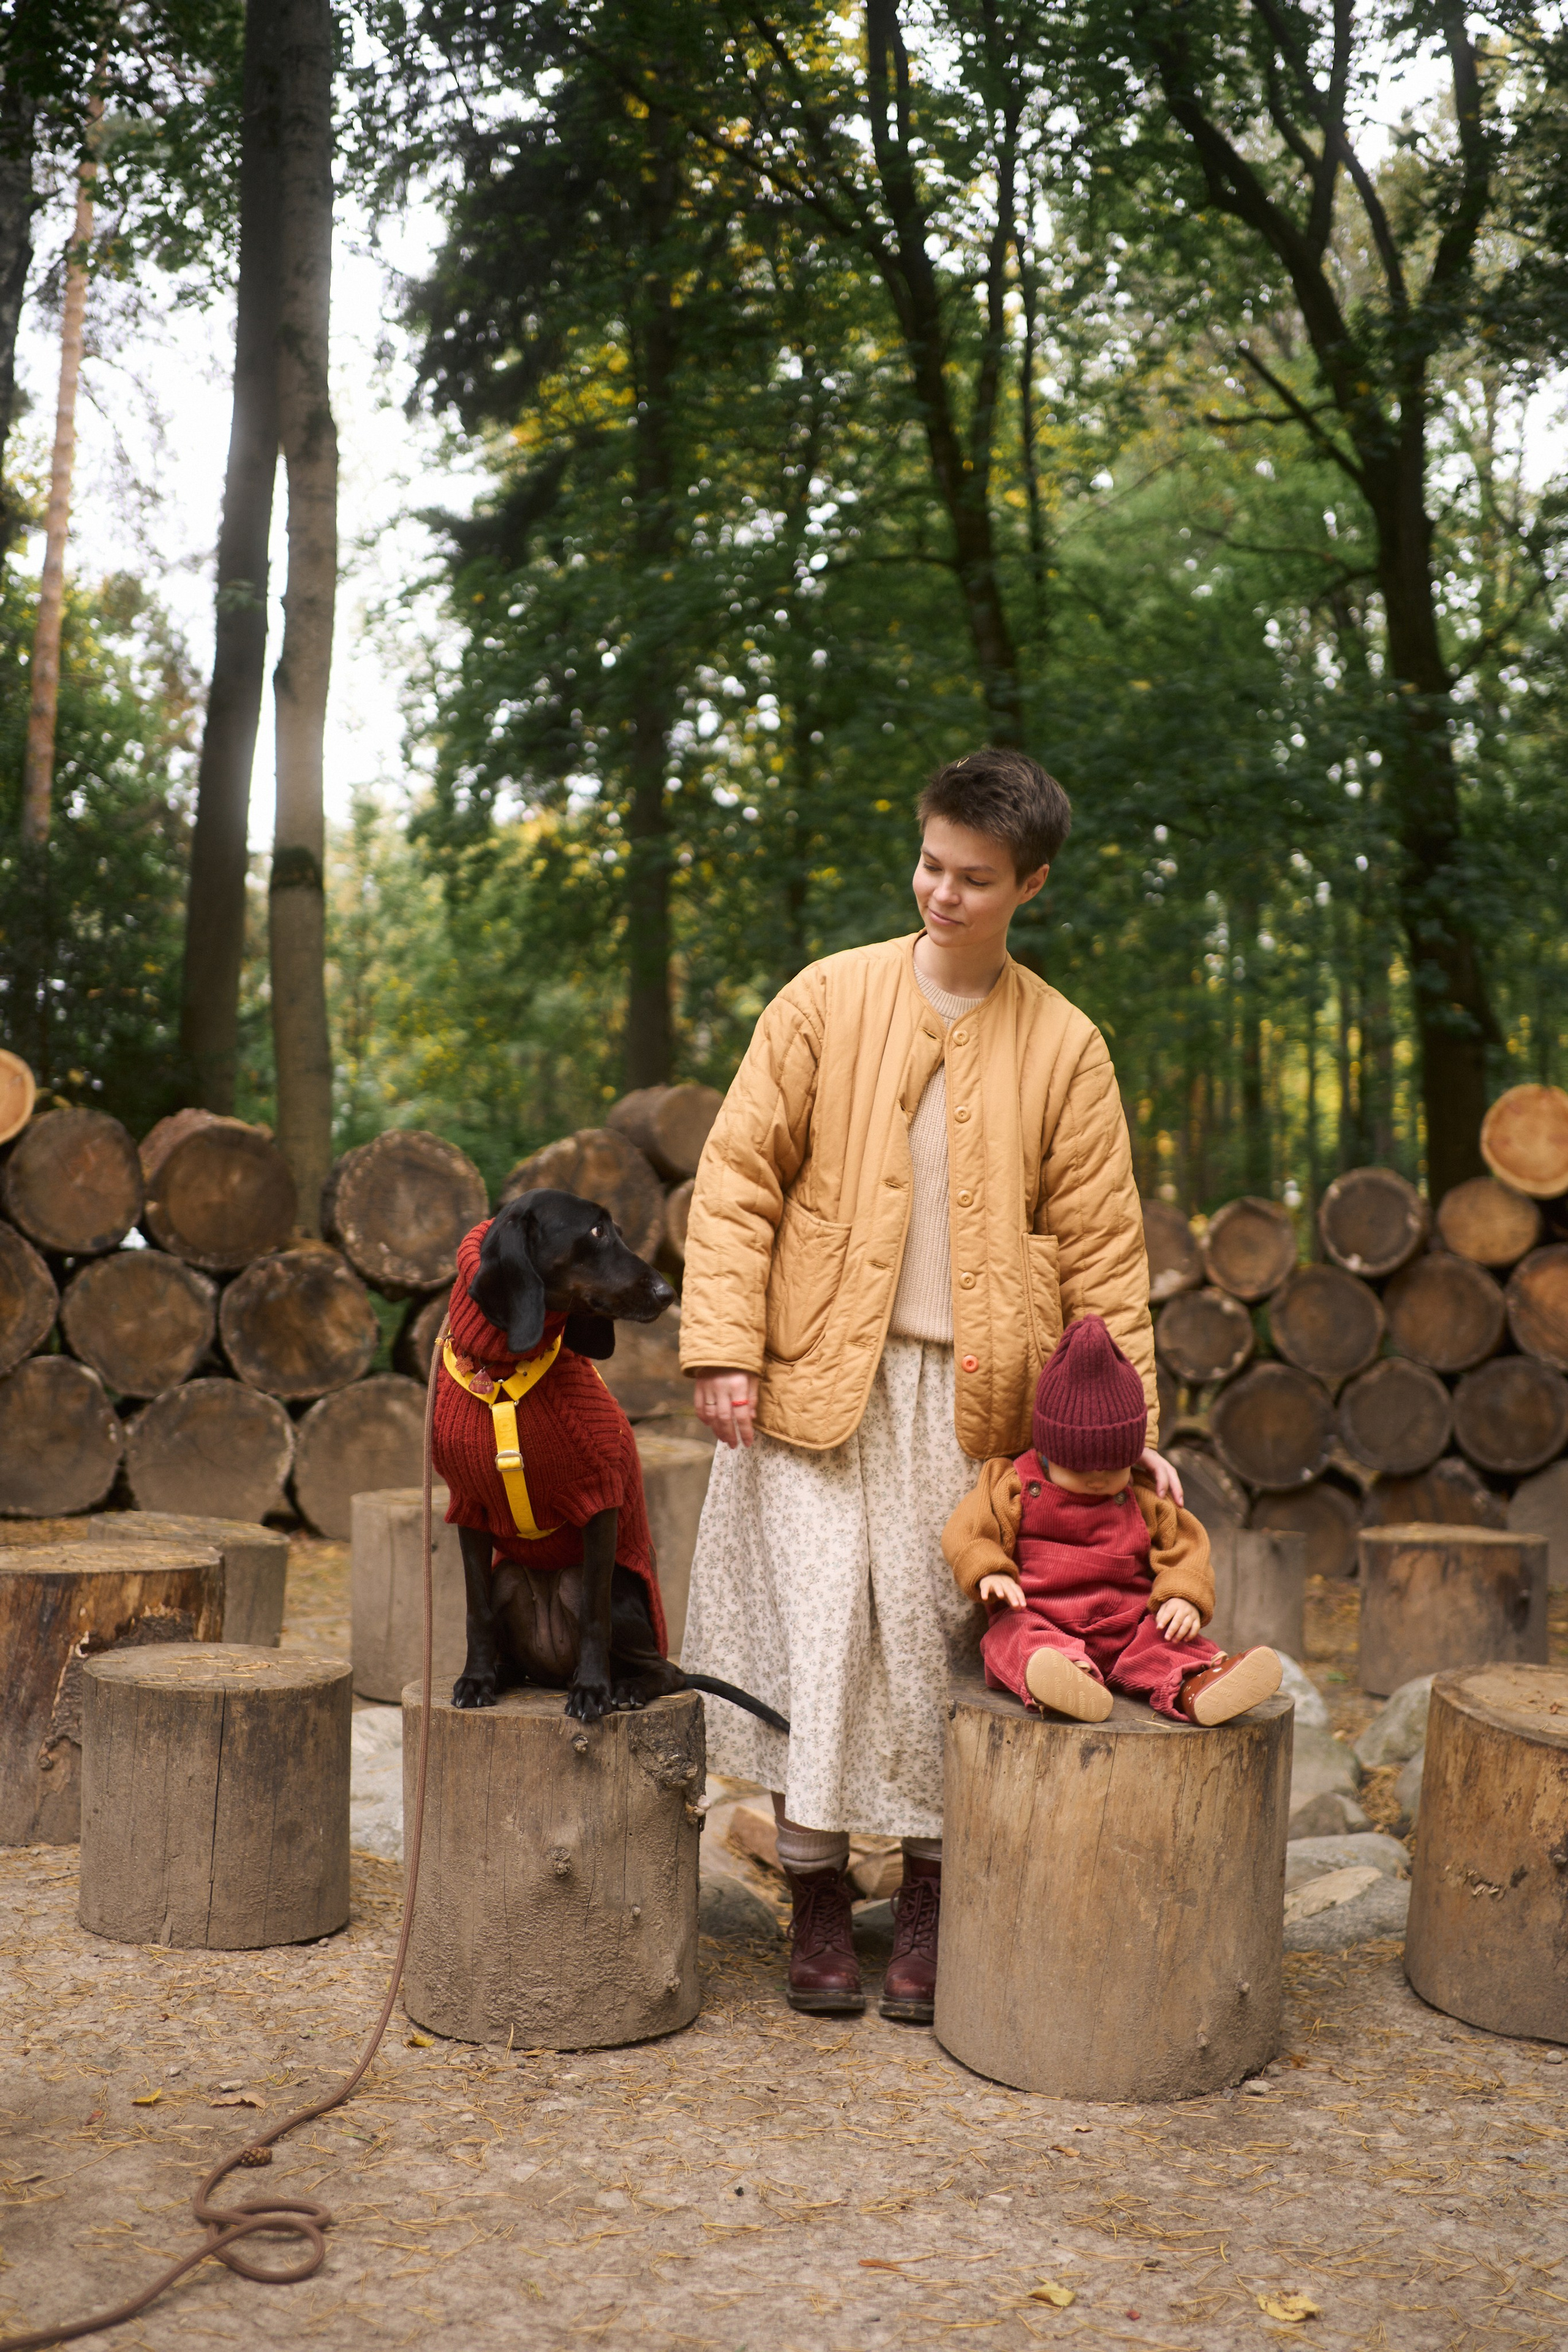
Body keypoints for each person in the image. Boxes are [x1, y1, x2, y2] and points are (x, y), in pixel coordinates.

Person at [677, 747, 1179, 2024]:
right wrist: (725, 1346)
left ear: (1030, 884)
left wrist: (1134, 1436)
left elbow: (1107, 1253)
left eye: (974, 879)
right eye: (929, 865)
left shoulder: (1066, 1047)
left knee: (933, 1653)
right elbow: (737, 1178)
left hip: (970, 1410)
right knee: (818, 1645)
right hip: (807, 1392)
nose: (941, 895)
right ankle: (811, 1902)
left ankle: (926, 1905)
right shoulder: (821, 1002)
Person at [944, 1313, 1283, 1725]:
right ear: (1049, 1450)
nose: (1098, 1480)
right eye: (1082, 1471)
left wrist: (1182, 1597)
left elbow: (1186, 1548)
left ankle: (1200, 1684)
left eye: (1113, 1469)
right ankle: (1065, 1681)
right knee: (1011, 1638)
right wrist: (988, 1570)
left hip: (1128, 1625)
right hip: (1041, 1617)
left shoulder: (1142, 1495)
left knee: (1169, 1640)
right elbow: (969, 1531)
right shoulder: (1011, 1483)